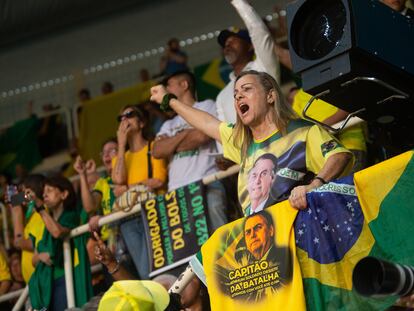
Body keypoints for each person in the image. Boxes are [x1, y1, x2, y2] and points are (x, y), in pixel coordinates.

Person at [150, 70, 353, 214]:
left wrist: (314, 185)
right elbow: (206, 123)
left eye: (246, 90)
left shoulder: (301, 131)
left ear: (271, 95)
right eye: (236, 94)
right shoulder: (243, 141)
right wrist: (170, 100)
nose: (238, 97)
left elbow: (339, 155)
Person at [152, 71, 227, 230]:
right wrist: (186, 134)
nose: (165, 89)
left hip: (207, 183)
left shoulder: (207, 105)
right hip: (177, 193)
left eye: (169, 85)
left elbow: (202, 136)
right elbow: (157, 151)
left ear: (184, 85)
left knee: (222, 242)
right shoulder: (168, 123)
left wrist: (172, 145)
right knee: (188, 252)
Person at [112, 105, 167, 279]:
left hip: (153, 212)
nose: (124, 120)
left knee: (159, 267)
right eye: (120, 118)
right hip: (129, 218)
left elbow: (158, 180)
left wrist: (129, 188)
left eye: (129, 115)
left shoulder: (154, 147)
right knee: (145, 273)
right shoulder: (120, 157)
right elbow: (118, 181)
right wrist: (121, 145)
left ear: (142, 122)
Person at [29, 176, 92, 311]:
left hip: (66, 279)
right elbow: (34, 258)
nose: (45, 194)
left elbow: (57, 232)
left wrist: (41, 210)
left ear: (64, 194)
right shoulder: (46, 222)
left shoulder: (71, 215)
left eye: (50, 190)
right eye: (44, 191)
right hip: (48, 283)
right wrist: (40, 256)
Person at [215, 0, 279, 124]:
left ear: (250, 46)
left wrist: (239, 3)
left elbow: (259, 33)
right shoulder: (222, 97)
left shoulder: (262, 69)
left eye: (233, 41)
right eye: (225, 45)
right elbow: (225, 139)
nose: (227, 46)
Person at [10, 174, 46, 284]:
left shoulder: (42, 214)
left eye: (24, 193)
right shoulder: (31, 216)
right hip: (35, 283)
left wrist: (16, 211)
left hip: (42, 281)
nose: (22, 197)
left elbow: (24, 243)